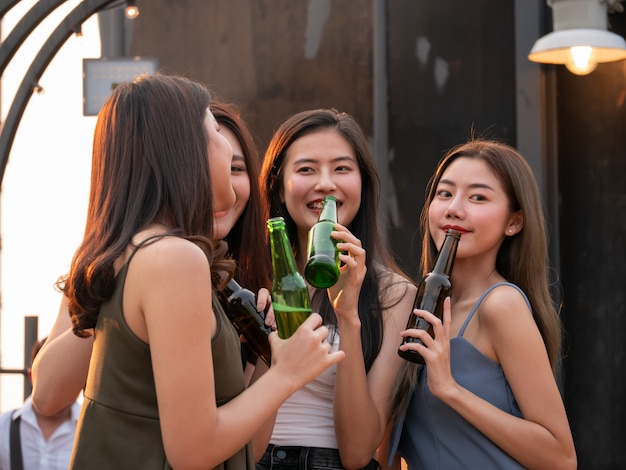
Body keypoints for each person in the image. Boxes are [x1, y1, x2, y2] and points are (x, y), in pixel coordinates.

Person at [36, 73, 344, 469]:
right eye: (214, 130)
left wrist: (270, 358)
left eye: (240, 165)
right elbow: (193, 452)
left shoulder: (167, 258)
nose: (225, 148)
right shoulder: (171, 259)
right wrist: (288, 371)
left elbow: (242, 450)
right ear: (183, 151)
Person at [31, 98, 271, 413]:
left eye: (236, 168)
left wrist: (267, 349)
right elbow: (47, 395)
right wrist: (114, 278)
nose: (222, 177)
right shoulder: (110, 263)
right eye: (205, 163)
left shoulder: (257, 280)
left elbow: (239, 435)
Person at [386, 139, 577, 469]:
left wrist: (452, 391)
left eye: (478, 197)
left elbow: (561, 457)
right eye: (445, 193)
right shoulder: (420, 307)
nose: (454, 208)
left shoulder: (501, 305)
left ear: (514, 221)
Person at [257, 108, 417, 469]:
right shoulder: (249, 278)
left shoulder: (394, 294)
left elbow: (358, 451)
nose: (326, 183)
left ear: (363, 183)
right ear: (278, 185)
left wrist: (348, 317)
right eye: (306, 169)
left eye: (342, 168)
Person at [0, 337, 80, 470]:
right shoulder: (3, 427)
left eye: (69, 380)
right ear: (32, 377)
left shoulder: (95, 432)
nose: (61, 392)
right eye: (52, 381)